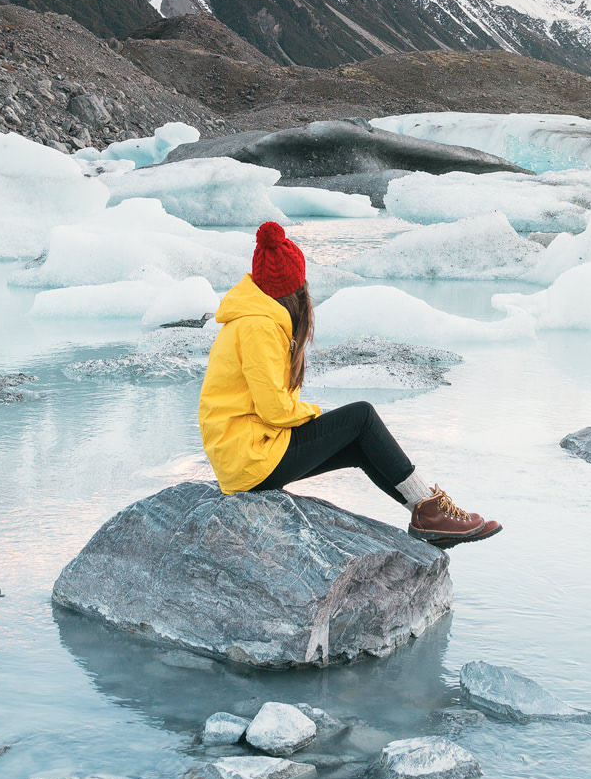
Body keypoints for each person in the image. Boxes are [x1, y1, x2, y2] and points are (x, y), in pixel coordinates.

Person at [198, 221, 501, 546]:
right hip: (251, 458)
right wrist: (313, 415)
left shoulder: (256, 316)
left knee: (358, 443)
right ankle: (429, 510)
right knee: (361, 417)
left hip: (247, 453)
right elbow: (274, 409)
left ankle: (426, 513)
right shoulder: (259, 327)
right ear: (296, 288)